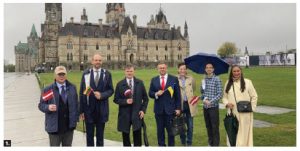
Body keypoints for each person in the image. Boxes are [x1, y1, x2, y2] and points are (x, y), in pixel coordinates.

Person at [38, 66, 79, 146]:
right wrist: (48, 107)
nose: (61, 76)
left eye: (63, 74)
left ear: (66, 75)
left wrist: (76, 119)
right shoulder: (49, 89)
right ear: (55, 75)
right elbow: (41, 105)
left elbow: (76, 104)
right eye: (59, 74)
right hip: (54, 128)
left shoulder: (72, 88)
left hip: (68, 128)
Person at [79, 53, 114, 146]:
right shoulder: (86, 74)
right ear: (92, 61)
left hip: (102, 110)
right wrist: (81, 111)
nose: (98, 62)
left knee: (100, 137)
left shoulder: (107, 74)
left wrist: (102, 95)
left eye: (99, 60)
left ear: (102, 62)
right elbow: (82, 93)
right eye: (96, 60)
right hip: (88, 111)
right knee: (89, 137)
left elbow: (111, 90)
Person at [113, 64, 149, 146]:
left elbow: (146, 99)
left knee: (137, 138)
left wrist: (143, 110)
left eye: (131, 71)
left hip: (137, 114)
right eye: (127, 71)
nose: (129, 73)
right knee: (125, 139)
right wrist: (125, 101)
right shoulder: (120, 84)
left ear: (134, 71)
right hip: (124, 114)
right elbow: (116, 99)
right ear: (124, 72)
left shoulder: (140, 83)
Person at [222, 65, 258, 146]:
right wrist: (227, 103)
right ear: (231, 73)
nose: (236, 73)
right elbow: (224, 97)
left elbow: (254, 96)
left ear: (241, 71)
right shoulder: (228, 83)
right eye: (234, 71)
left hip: (245, 113)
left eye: (238, 71)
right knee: (233, 133)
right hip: (233, 113)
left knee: (244, 134)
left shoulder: (248, 82)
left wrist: (252, 108)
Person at [148, 62, 181, 146]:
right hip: (158, 111)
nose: (162, 69)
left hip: (170, 110)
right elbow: (150, 93)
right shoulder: (154, 79)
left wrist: (178, 108)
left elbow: (178, 95)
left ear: (166, 68)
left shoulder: (173, 79)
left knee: (171, 131)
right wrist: (156, 94)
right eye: (160, 68)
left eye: (163, 68)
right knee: (160, 131)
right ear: (158, 69)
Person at [201, 63, 223, 146]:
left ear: (213, 69)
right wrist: (204, 98)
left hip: (213, 107)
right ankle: (210, 143)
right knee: (208, 126)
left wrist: (211, 101)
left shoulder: (217, 79)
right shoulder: (204, 79)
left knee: (214, 127)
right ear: (205, 69)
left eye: (210, 68)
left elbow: (220, 94)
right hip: (205, 107)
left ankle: (216, 145)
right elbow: (203, 93)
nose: (209, 69)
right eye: (207, 68)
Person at [177, 63, 198, 146]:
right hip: (180, 105)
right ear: (178, 70)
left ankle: (189, 143)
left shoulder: (191, 79)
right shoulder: (175, 79)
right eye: (181, 69)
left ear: (186, 70)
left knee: (190, 125)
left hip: (189, 104)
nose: (183, 70)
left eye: (184, 69)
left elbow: (194, 88)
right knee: (181, 125)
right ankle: (183, 142)